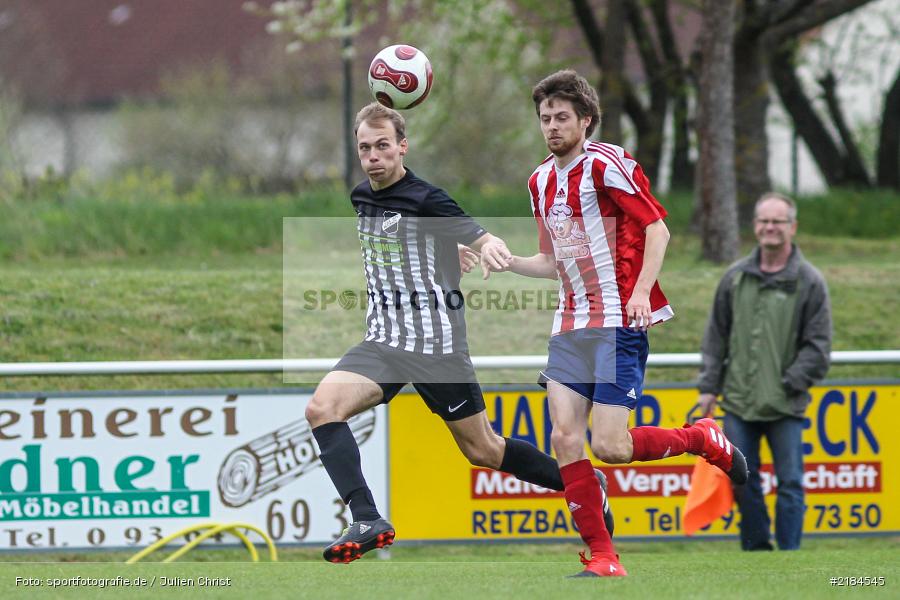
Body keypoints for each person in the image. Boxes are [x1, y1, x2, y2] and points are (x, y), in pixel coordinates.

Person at [304, 102, 612, 564]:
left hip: (436, 348)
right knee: (321, 409)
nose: (373, 156)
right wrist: (445, 253)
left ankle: (584, 482)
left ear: (403, 147)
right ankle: (367, 519)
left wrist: (487, 249)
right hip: (383, 342)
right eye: (365, 148)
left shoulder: (428, 199)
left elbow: (481, 236)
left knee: (483, 449)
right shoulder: (360, 196)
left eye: (383, 146)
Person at [484, 70, 748, 577]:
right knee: (565, 440)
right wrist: (506, 260)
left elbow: (657, 230)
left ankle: (701, 439)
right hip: (569, 326)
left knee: (610, 446)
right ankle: (604, 557)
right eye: (545, 118)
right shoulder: (540, 181)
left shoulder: (606, 165)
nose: (552, 126)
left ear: (586, 119)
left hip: (616, 321)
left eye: (562, 117)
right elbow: (551, 261)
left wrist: (643, 291)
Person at [697, 192, 832, 551]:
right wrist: (708, 387)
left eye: (778, 221)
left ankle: (789, 554)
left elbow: (818, 347)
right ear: (755, 225)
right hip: (738, 403)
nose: (770, 227)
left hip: (785, 404)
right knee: (742, 479)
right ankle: (757, 551)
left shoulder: (810, 281)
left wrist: (789, 383)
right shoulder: (734, 277)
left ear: (792, 227)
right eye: (764, 221)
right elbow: (716, 337)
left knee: (791, 483)